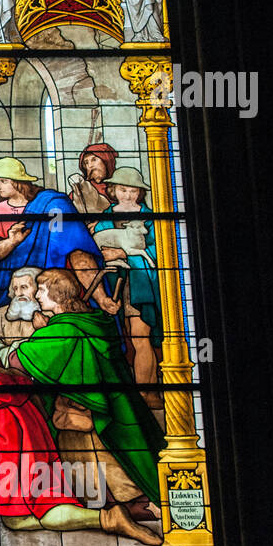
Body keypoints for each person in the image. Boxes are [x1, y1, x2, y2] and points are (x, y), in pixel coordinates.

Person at [14, 267, 165, 535]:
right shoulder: (91, 321)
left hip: (85, 416)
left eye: (42, 290)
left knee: (101, 464)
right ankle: (126, 505)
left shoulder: (64, 330)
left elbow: (22, 360)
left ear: (58, 294)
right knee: (109, 464)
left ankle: (119, 506)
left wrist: (38, 334)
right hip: (104, 410)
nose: (37, 295)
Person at [0, 156, 101, 306]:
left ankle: (100, 299)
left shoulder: (50, 203)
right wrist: (11, 242)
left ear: (19, 182)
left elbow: (63, 239)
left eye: (3, 181)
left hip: (57, 273)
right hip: (18, 282)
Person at [93, 166, 161, 390]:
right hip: (113, 285)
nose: (128, 195)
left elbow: (161, 250)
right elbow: (97, 248)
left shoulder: (150, 217)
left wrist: (122, 253)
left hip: (142, 285)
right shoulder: (106, 217)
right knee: (126, 339)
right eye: (123, 190)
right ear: (113, 190)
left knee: (140, 336)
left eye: (133, 191)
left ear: (140, 193)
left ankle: (148, 392)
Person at [0, 265, 46, 365]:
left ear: (38, 288)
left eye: (24, 287)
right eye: (15, 288)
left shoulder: (48, 316)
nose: (18, 293)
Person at [66, 142, 118, 215]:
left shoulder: (122, 186)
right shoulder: (81, 190)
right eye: (86, 163)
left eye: (94, 160)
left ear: (107, 160)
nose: (90, 166)